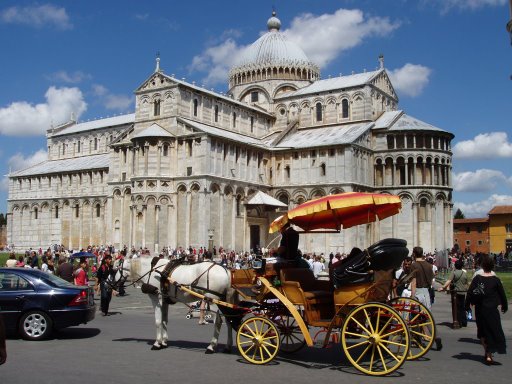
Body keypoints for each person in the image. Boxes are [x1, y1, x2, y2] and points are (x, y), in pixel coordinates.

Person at [465, 254, 507, 365]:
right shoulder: (496, 280)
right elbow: (502, 294)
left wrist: (467, 305)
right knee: (493, 329)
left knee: (482, 331)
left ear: (482, 266)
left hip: (480, 309)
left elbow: (470, 293)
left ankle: (487, 353)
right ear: (492, 266)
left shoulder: (478, 278)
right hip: (492, 309)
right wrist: (504, 305)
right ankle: (489, 353)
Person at [410, 246, 443, 350]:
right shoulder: (429, 266)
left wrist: (412, 296)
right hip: (427, 292)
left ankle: (418, 339)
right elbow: (432, 279)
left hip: (418, 292)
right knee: (427, 316)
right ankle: (436, 336)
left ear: (414, 254)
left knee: (415, 317)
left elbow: (413, 282)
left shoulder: (414, 265)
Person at [439, 259, 469, 327]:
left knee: (456, 308)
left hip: (456, 292)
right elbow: (467, 284)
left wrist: (443, 287)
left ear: (455, 266)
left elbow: (449, 281)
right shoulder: (464, 273)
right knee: (462, 307)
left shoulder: (454, 272)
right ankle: (464, 321)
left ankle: (458, 321)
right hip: (463, 292)